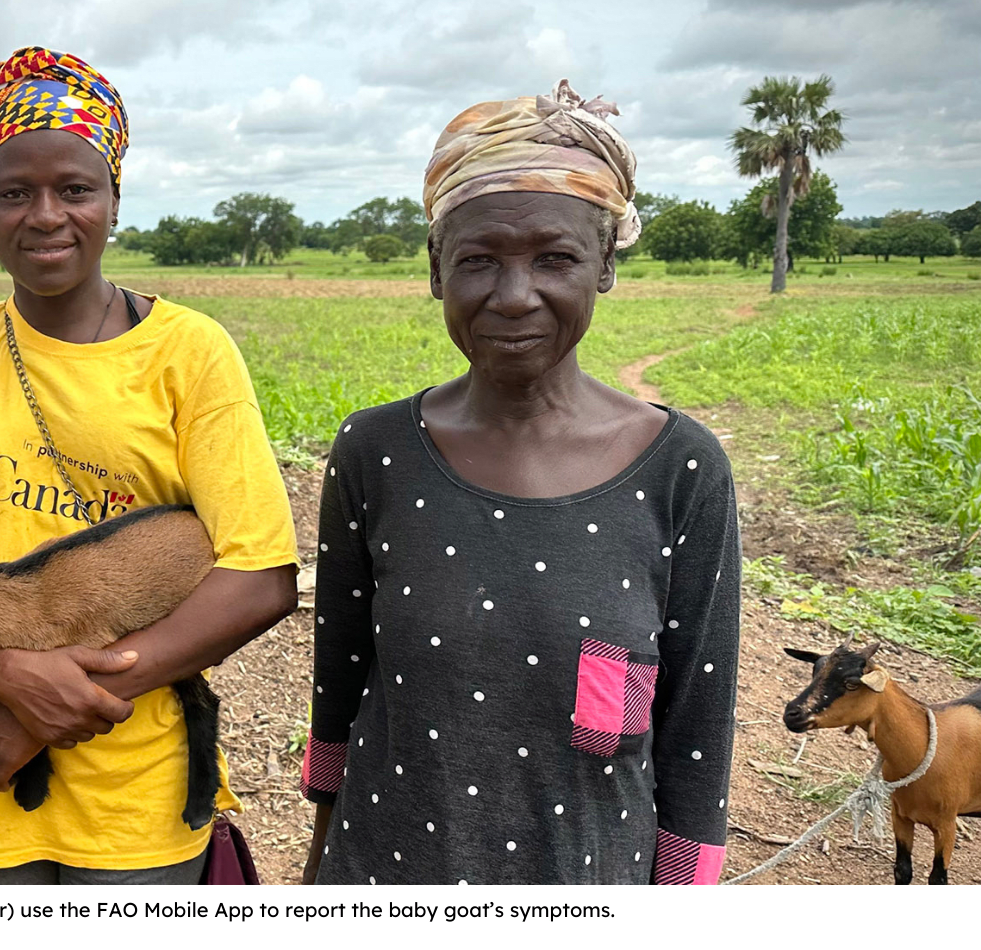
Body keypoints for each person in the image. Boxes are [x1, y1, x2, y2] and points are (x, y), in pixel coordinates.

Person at [0, 47, 299, 885]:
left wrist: (47, 707)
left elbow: (259, 576)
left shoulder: (188, 354)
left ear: (114, 199)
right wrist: (10, 678)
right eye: (13, 193)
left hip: (136, 786)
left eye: (75, 188)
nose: (46, 215)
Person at [300, 81, 740, 885]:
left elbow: (696, 731)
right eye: (478, 260)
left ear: (605, 264)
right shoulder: (378, 451)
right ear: (436, 270)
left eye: (554, 257)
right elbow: (340, 683)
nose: (513, 296)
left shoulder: (681, 470)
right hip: (385, 870)